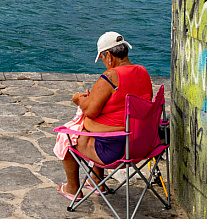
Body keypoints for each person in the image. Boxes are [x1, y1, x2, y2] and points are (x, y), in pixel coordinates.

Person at [58, 30, 153, 200]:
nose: (103, 62)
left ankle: (72, 188)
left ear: (108, 55)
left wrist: (79, 99)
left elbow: (90, 110)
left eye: (102, 58)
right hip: (141, 145)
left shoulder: (111, 76)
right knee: (95, 127)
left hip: (114, 152)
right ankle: (96, 180)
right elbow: (123, 103)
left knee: (67, 135)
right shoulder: (143, 72)